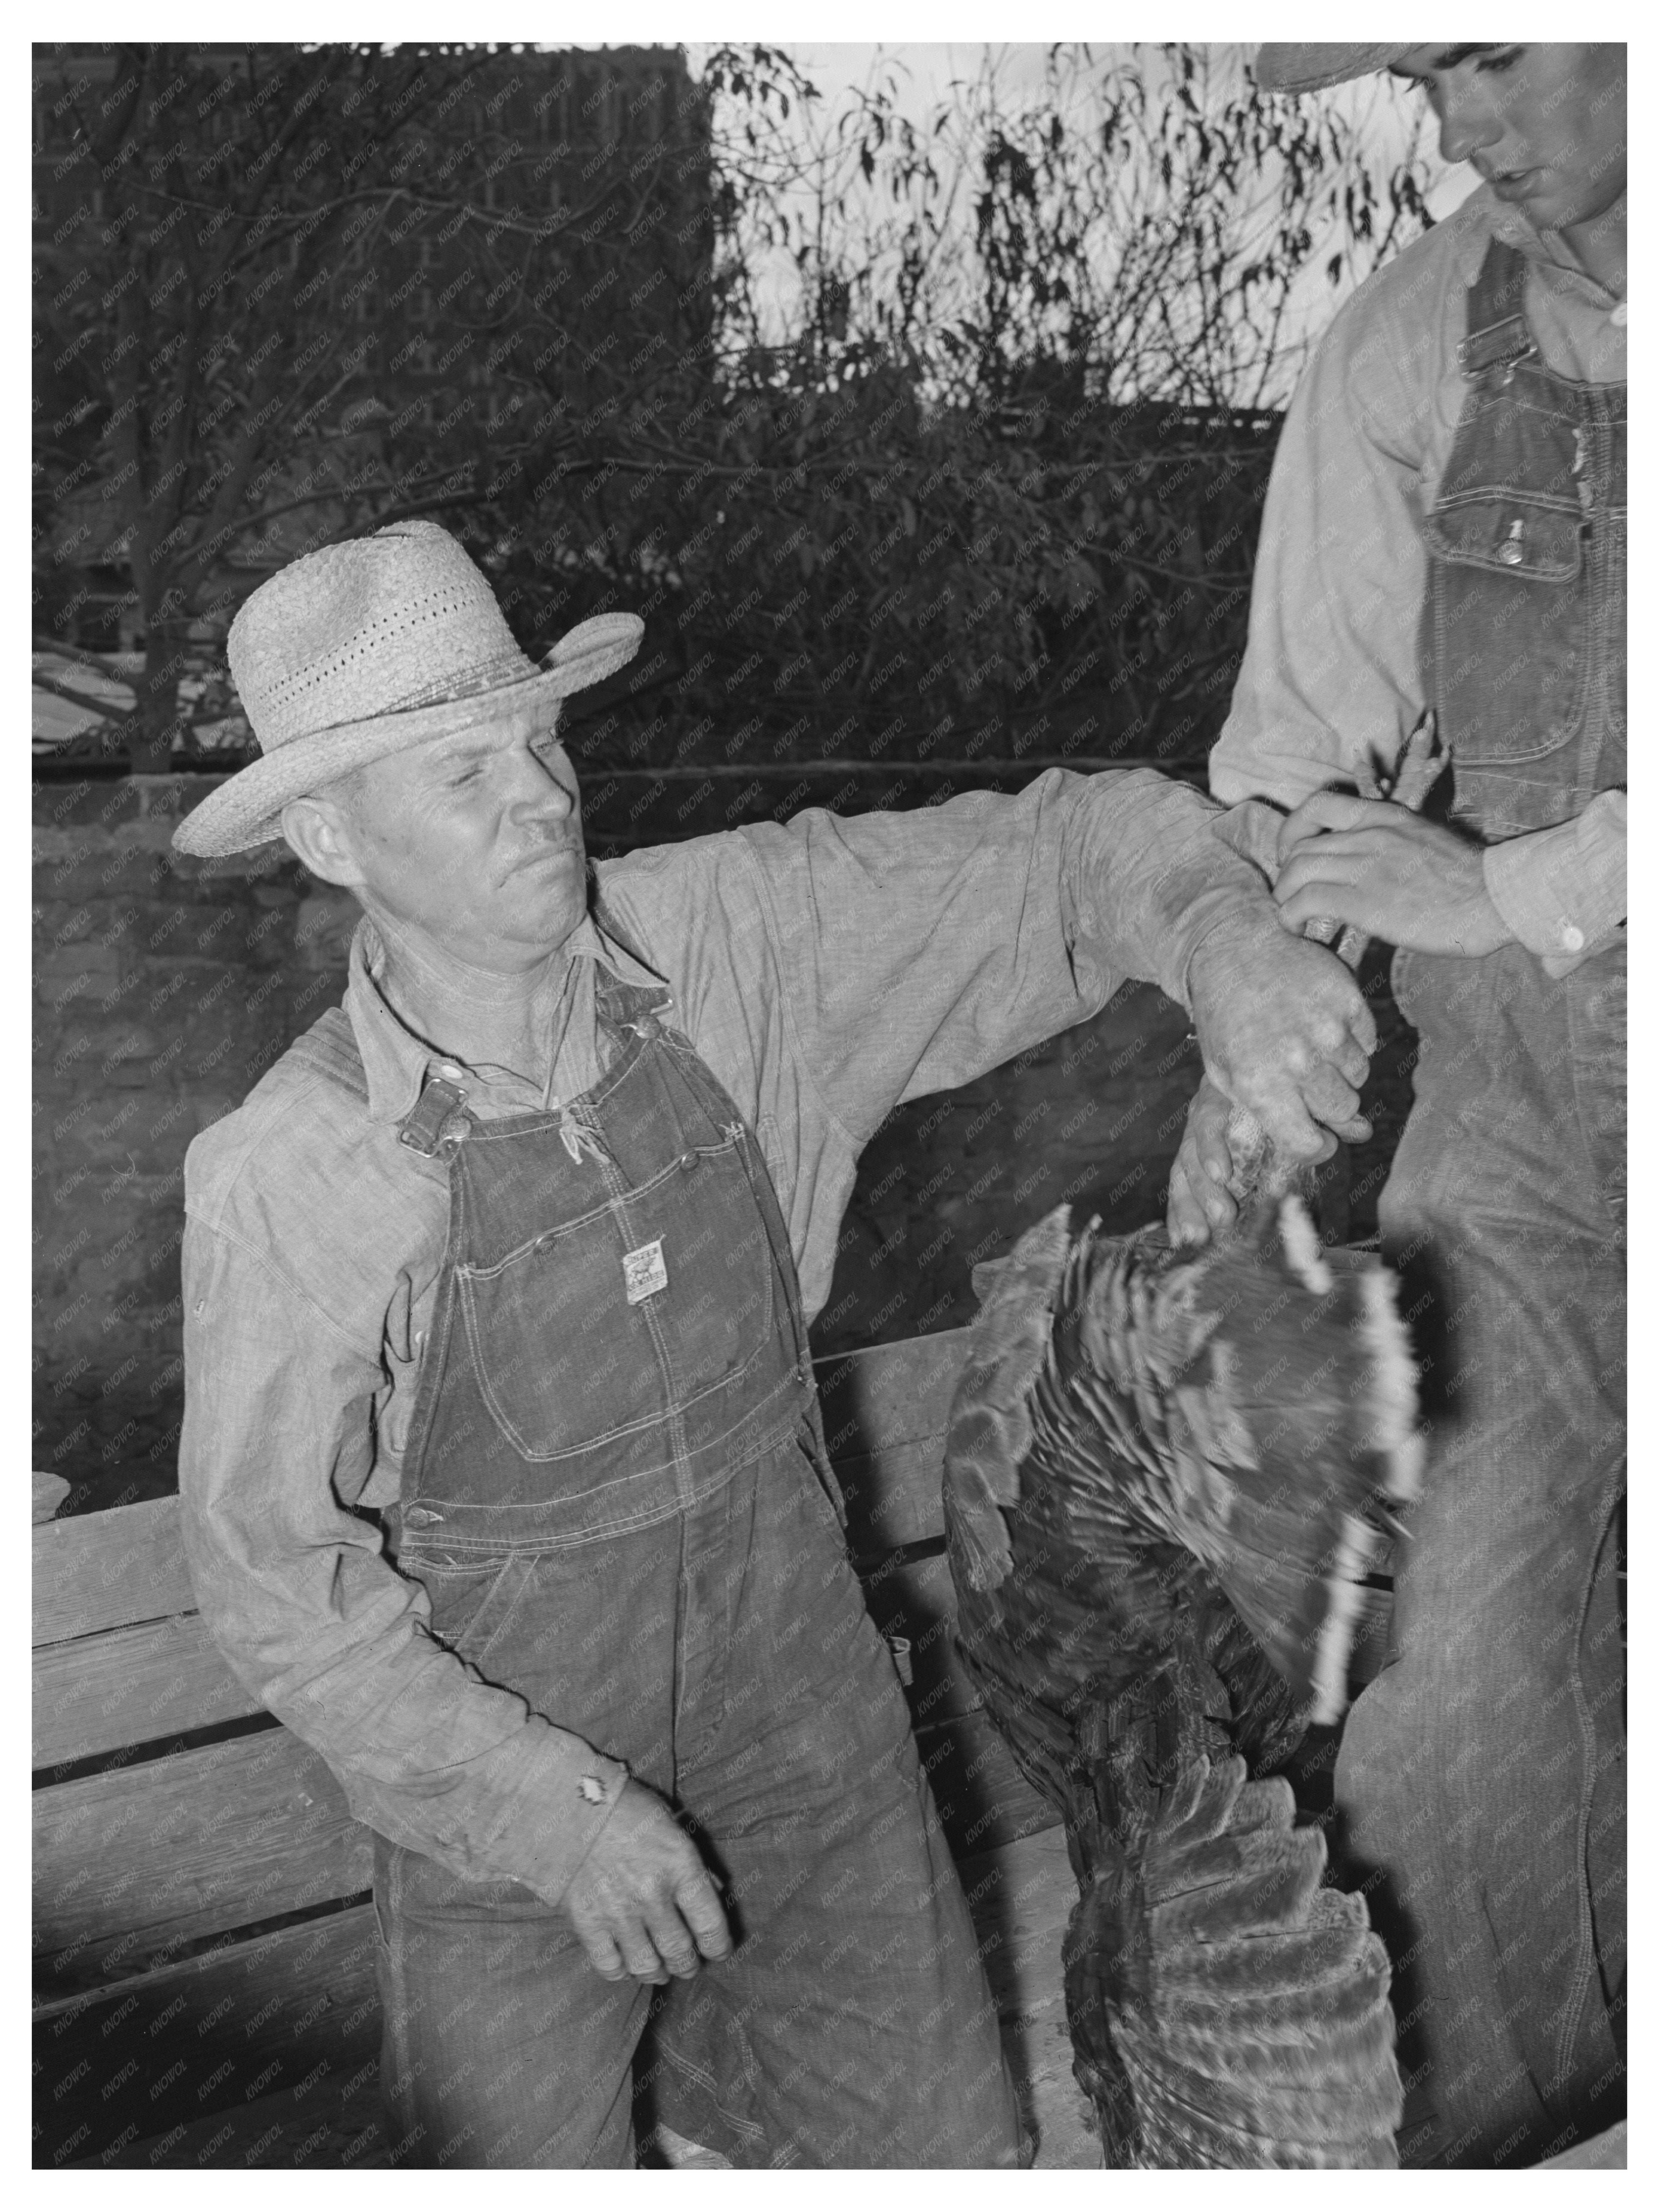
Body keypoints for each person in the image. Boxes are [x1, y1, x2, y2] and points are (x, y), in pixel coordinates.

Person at [172, 518, 1375, 2170]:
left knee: (948, 2166)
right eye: (461, 773)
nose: (540, 795)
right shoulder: (295, 1175)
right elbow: (272, 1588)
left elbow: (1063, 851)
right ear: (327, 836)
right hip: (505, 1814)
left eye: (539, 740)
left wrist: (1227, 950)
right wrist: (557, 1816)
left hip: (806, 1732)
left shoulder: (733, 947)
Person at [1170, 42, 1626, 2169]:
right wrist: (1254, 1014)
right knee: (1443, 1697)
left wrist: (1507, 886)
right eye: (1424, 73)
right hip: (1522, 1128)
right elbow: (1295, 759)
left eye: (1492, 58)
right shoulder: (1403, 344)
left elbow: (1471, 877)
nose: (1454, 123)